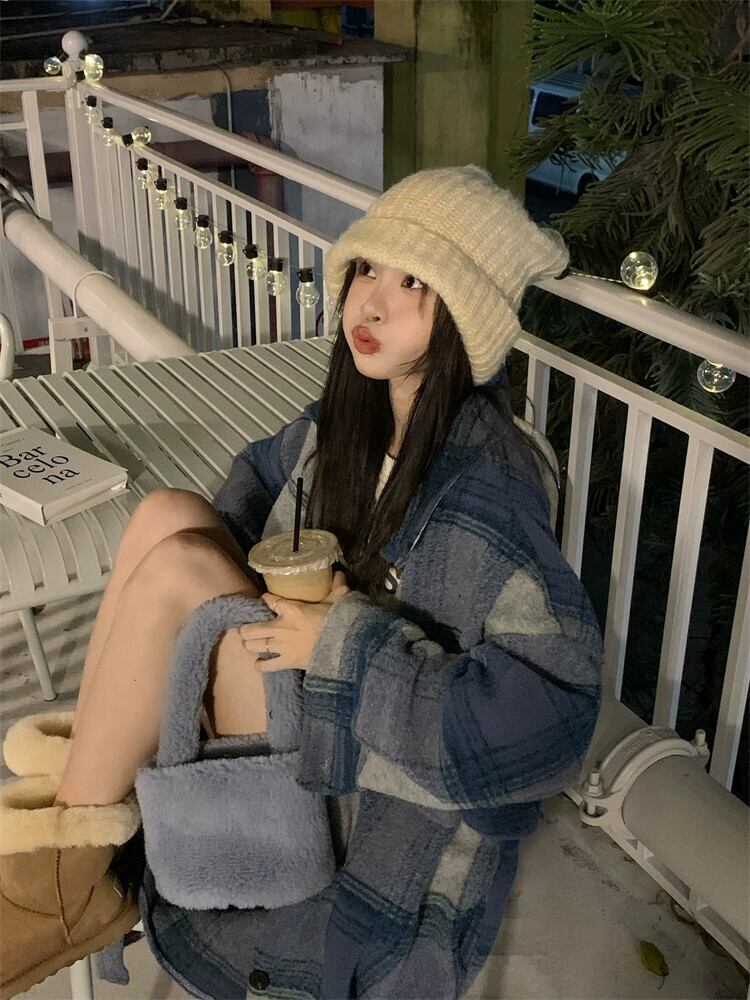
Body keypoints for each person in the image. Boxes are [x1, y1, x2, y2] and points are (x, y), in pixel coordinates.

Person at [0, 165, 602, 1000]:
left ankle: (58, 888)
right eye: (367, 269)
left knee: (180, 570)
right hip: (296, 701)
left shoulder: (489, 487)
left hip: (359, 761)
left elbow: (553, 724)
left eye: (415, 283)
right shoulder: (351, 418)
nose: (372, 304)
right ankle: (76, 848)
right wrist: (231, 604)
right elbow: (254, 480)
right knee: (167, 515)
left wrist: (346, 649)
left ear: (469, 314)